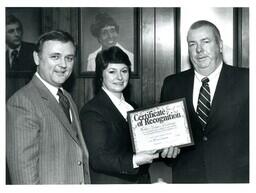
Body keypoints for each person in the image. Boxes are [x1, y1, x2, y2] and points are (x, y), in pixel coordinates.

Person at [160, 20, 249, 183]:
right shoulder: (172, 84)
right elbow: (166, 138)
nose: (199, 50)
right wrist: (166, 150)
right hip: (187, 178)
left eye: (205, 42)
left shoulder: (247, 80)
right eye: (192, 44)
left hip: (235, 179)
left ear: (220, 45)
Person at [80, 46, 179, 184]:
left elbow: (147, 147)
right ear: (100, 76)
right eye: (112, 72)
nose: (119, 77)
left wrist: (166, 149)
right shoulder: (92, 111)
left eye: (124, 71)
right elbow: (98, 159)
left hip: (141, 182)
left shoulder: (133, 107)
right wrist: (136, 160)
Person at [6, 30, 90, 184]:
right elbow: (24, 179)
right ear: (37, 58)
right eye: (55, 57)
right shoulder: (22, 102)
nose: (63, 65)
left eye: (69, 58)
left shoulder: (66, 97)